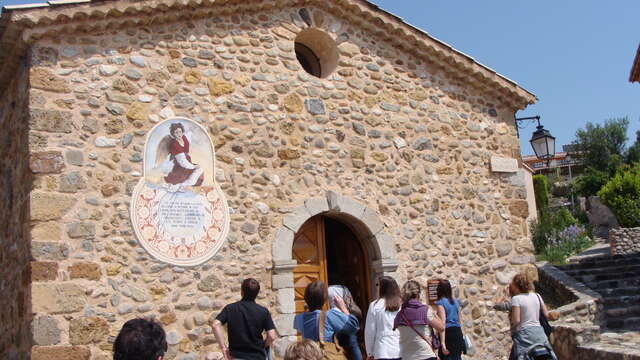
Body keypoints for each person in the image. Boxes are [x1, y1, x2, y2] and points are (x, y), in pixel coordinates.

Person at [212, 278, 278, 360]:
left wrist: (223, 348)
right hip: (257, 356)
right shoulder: (263, 311)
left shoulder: (230, 308)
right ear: (257, 293)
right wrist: (264, 345)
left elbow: (215, 325)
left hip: (236, 356)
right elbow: (272, 336)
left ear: (241, 292)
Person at [294, 281, 359, 348]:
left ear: (306, 298)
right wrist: (343, 307)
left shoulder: (299, 318)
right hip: (325, 355)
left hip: (309, 354)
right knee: (351, 338)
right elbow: (354, 326)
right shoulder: (330, 315)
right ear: (325, 299)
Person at [508, 274, 557, 360]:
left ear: (516, 285)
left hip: (524, 334)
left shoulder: (516, 299)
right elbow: (546, 314)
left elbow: (516, 320)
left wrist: (511, 325)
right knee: (547, 355)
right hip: (539, 332)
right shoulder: (537, 296)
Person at [393, 280, 444, 360]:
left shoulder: (400, 314)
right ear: (418, 294)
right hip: (425, 355)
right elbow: (441, 327)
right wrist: (434, 313)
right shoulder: (425, 311)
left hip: (406, 356)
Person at [364, 276, 401, 360]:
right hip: (400, 348)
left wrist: (369, 352)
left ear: (383, 287)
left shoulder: (375, 306)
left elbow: (370, 331)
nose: (376, 287)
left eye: (377, 284)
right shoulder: (401, 304)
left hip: (383, 350)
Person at [163, 122, 204, 188]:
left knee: (200, 170)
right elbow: (182, 162)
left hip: (188, 162)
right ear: (173, 134)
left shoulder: (184, 137)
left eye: (180, 131)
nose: (179, 134)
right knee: (183, 178)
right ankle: (181, 186)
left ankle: (184, 185)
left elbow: (189, 136)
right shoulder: (174, 145)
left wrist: (192, 130)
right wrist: (193, 166)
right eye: (176, 132)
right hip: (180, 166)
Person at [328, 284, 363, 360]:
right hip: (344, 317)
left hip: (335, 318)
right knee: (352, 343)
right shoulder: (343, 289)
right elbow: (355, 325)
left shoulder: (329, 289)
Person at [435, 280, 465, 360]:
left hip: (448, 334)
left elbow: (443, 324)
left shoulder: (440, 303)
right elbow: (460, 320)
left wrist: (443, 343)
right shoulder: (455, 302)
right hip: (458, 333)